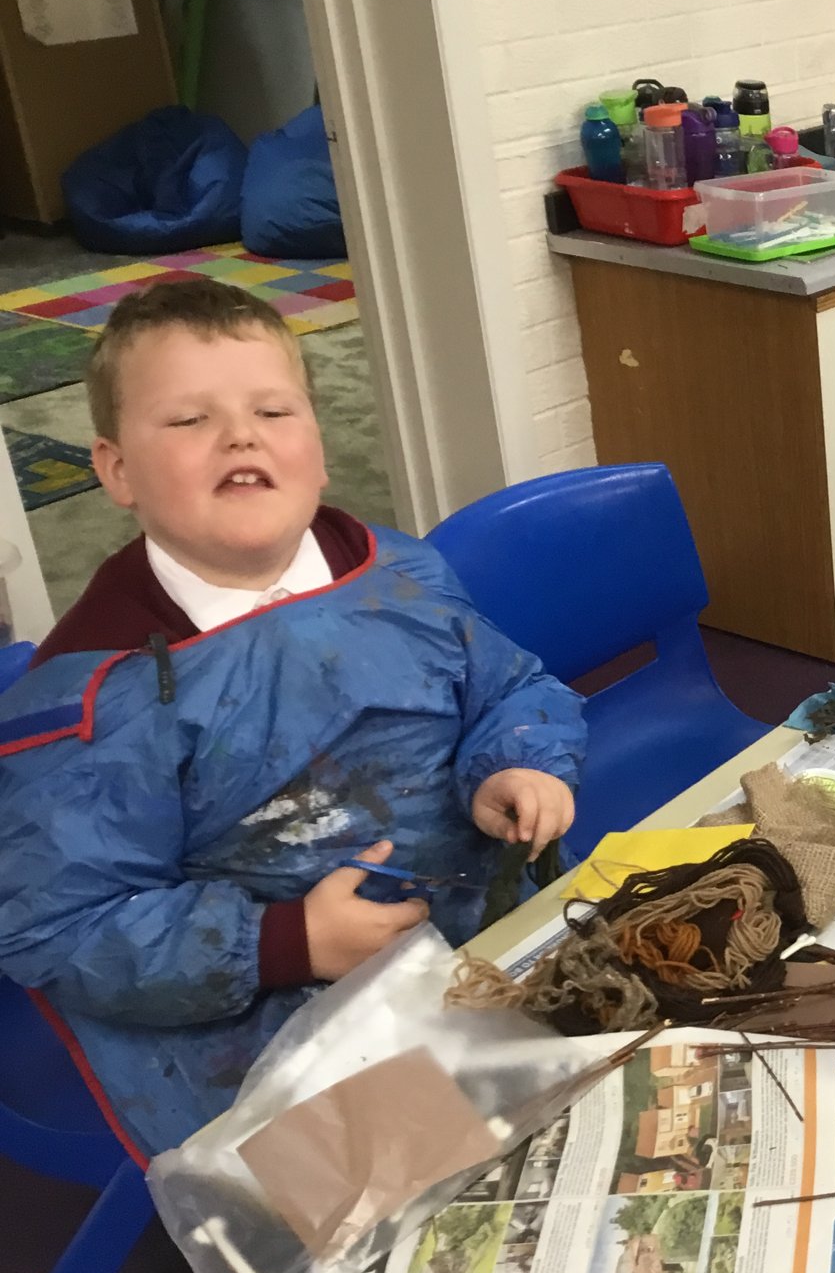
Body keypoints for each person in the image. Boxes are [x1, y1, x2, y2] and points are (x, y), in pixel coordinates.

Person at [0, 279, 585, 1161]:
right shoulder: (91, 697)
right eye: (190, 421)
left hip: (487, 941)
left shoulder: (399, 575)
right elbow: (58, 926)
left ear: (317, 447)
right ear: (115, 469)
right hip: (274, 1029)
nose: (241, 435)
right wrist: (285, 943)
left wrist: (516, 763)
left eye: (273, 410)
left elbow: (508, 686)